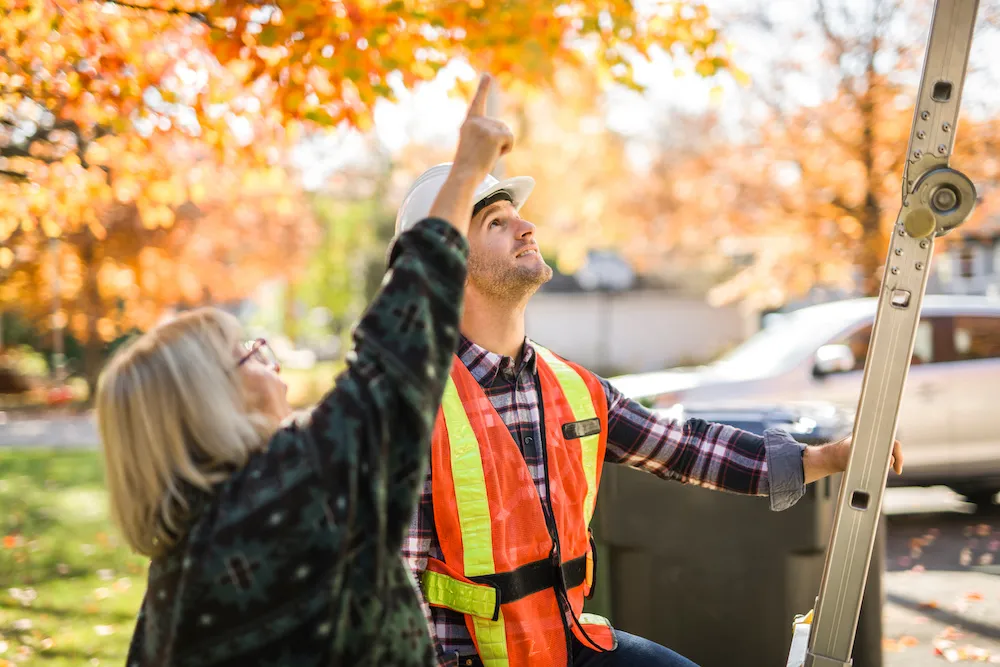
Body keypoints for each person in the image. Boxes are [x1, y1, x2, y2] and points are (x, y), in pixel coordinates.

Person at [394, 162, 905, 667]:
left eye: (516, 215)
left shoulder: (572, 388)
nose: (527, 227)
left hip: (570, 645)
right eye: (496, 223)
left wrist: (825, 458)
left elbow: (684, 447)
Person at [96, 74, 514, 667]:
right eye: (246, 352)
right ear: (211, 407)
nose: (267, 351)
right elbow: (394, 357)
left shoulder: (176, 578)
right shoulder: (291, 499)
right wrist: (466, 172)